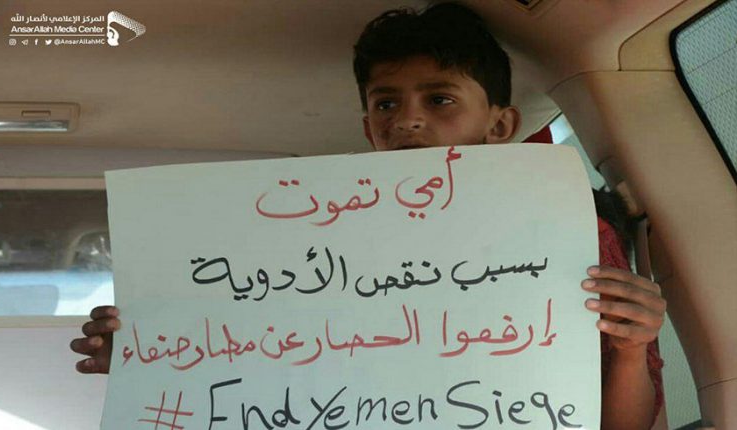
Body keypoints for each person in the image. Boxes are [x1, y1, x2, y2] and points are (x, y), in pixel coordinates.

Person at [71, 3, 666, 429]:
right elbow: (255, 363)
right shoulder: (302, 243)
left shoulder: (569, 230)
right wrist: (149, 360)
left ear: (500, 125)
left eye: (440, 99)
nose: (407, 119)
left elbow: (626, 426)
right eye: (386, 103)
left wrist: (633, 346)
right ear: (368, 128)